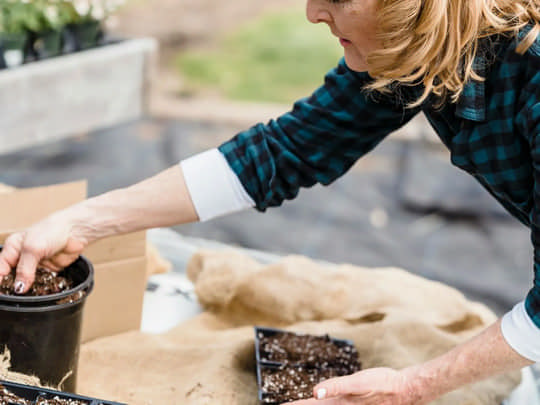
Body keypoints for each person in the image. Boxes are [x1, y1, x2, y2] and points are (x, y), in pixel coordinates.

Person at [1, 0, 540, 403]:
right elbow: (281, 152)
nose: (312, 13)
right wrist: (81, 221)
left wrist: (412, 385)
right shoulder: (411, 49)